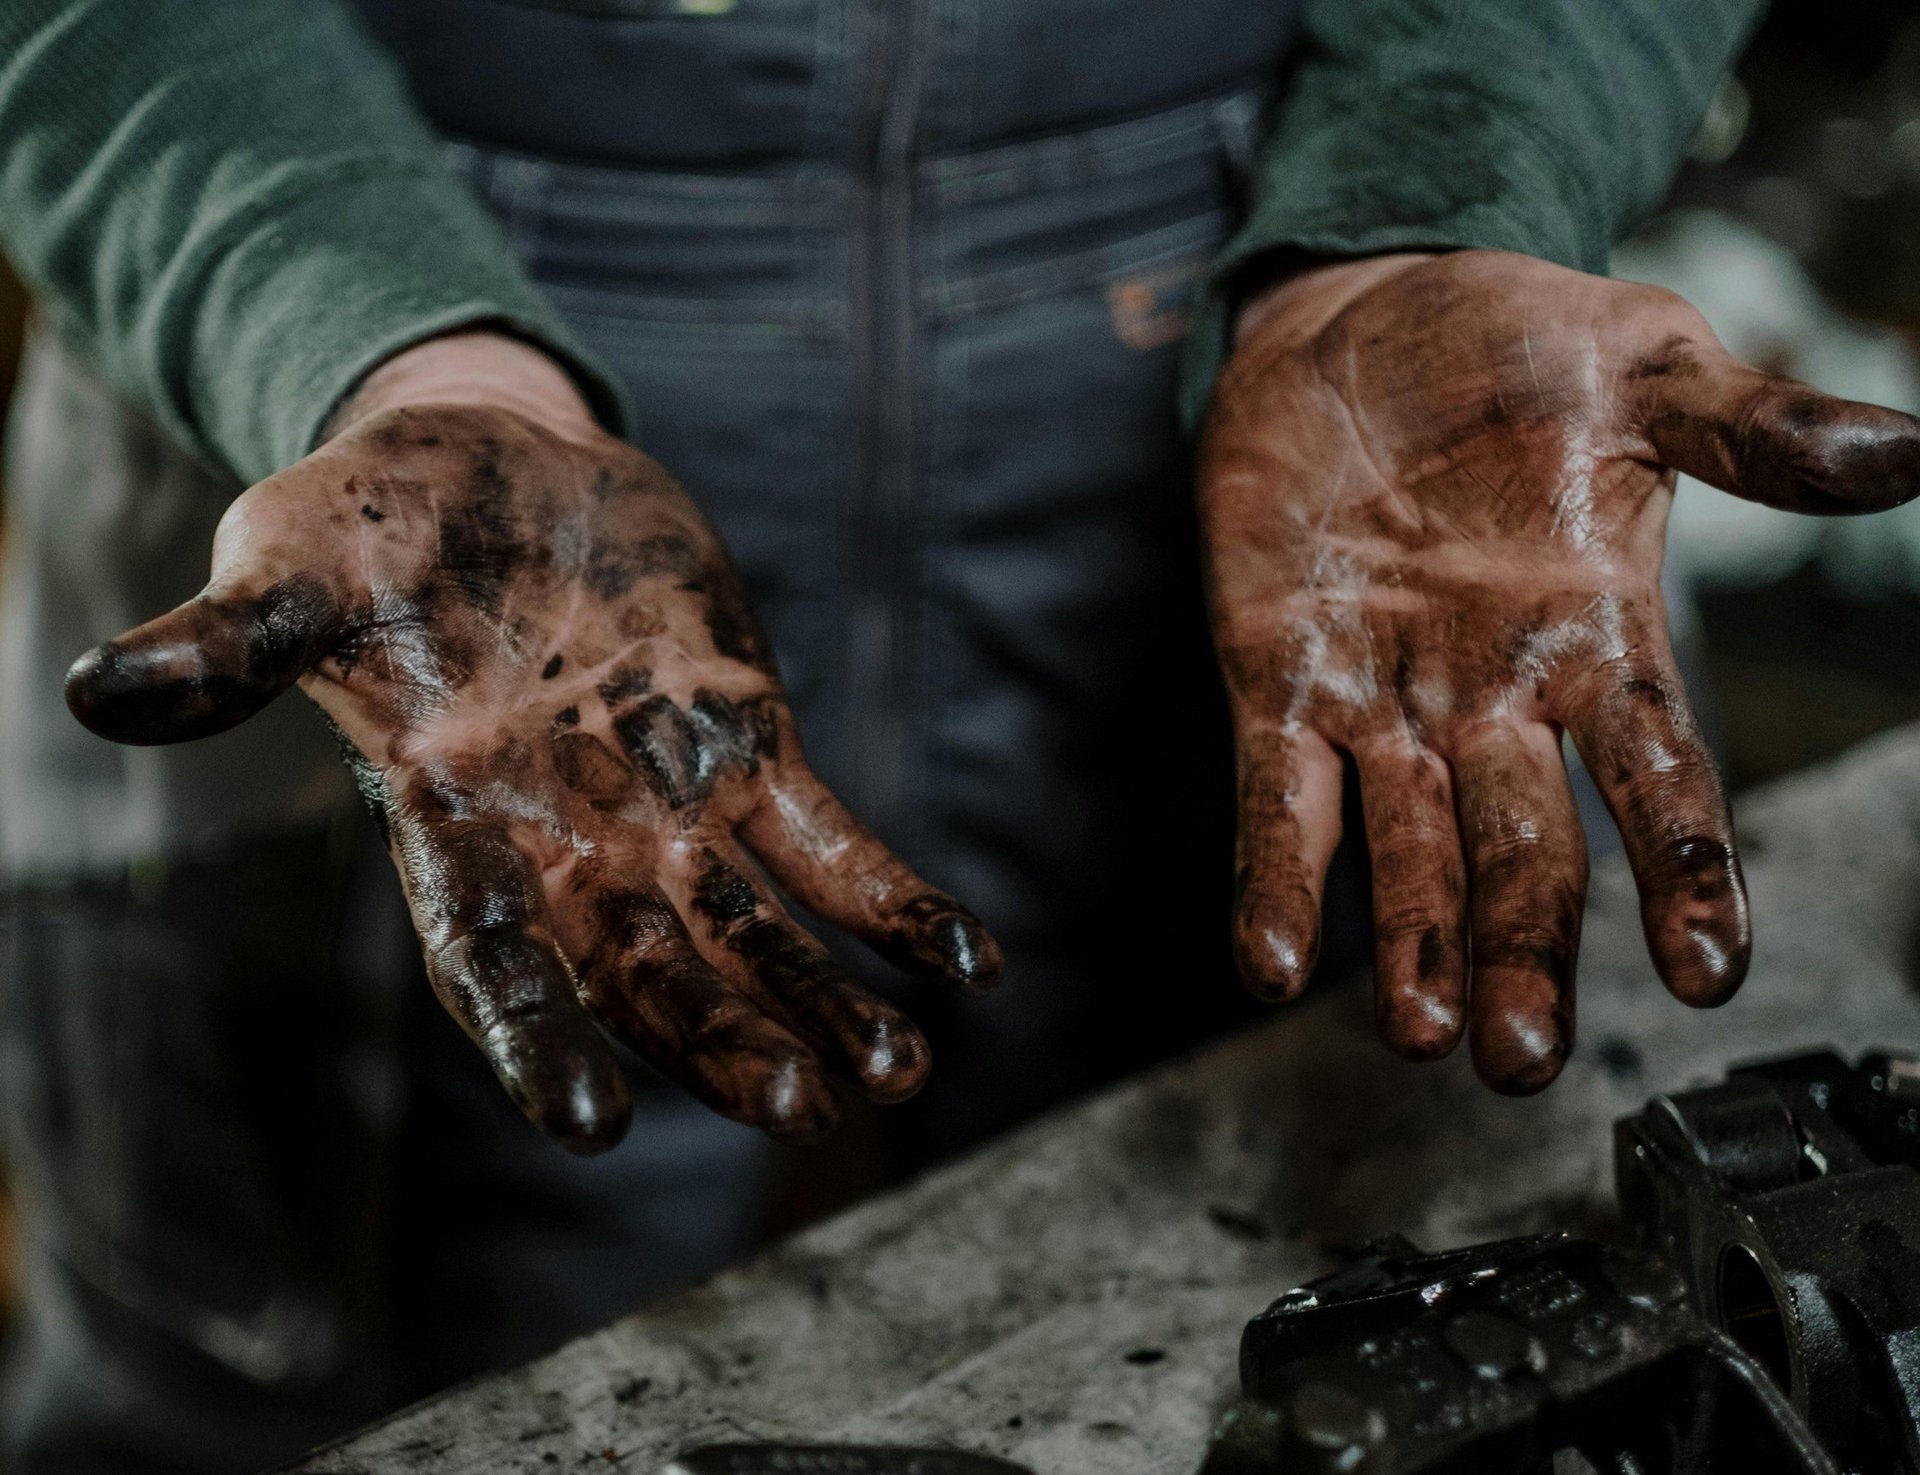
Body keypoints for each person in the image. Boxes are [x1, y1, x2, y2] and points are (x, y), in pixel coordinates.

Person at [4, 0, 1917, 1469]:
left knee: (1410, 1302)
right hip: (366, 376)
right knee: (286, 1381)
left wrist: (1440, 190)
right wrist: (353, 324)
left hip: (1315, 362)